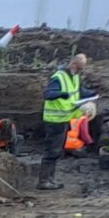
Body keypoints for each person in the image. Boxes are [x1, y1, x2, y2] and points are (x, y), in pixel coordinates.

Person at [39, 51, 91, 188]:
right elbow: (48, 94)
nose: (80, 71)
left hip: (64, 119)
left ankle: (49, 180)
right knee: (52, 151)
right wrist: (62, 94)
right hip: (54, 120)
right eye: (79, 68)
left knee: (56, 151)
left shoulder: (75, 77)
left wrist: (93, 94)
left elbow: (80, 91)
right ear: (73, 64)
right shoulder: (59, 77)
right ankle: (44, 181)